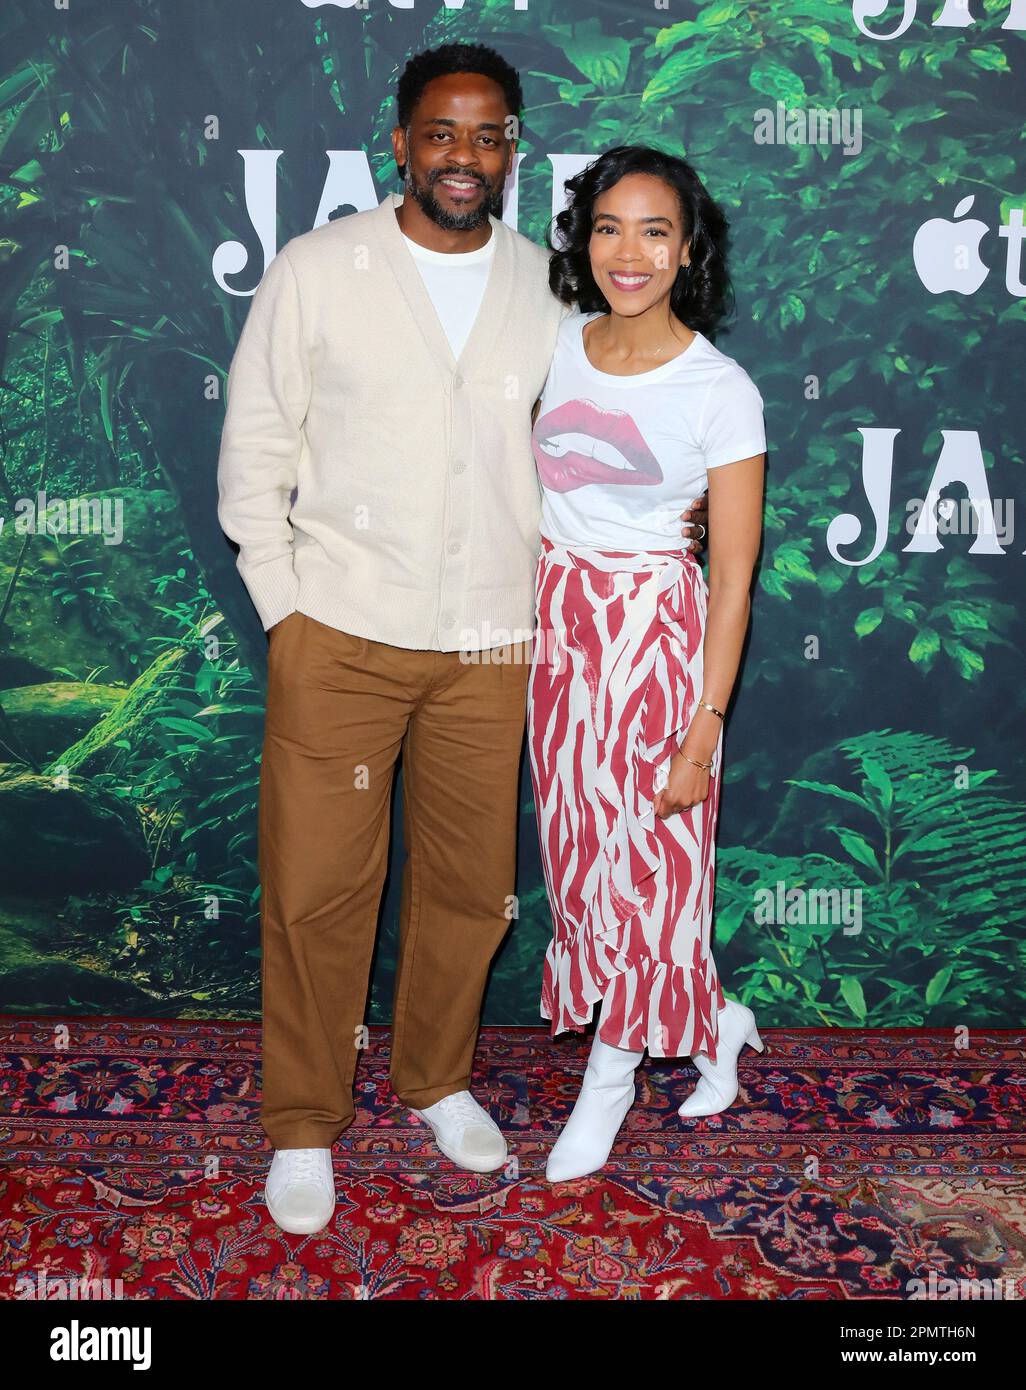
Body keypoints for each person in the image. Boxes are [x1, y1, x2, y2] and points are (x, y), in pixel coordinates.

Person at [217, 44, 711, 1233]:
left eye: (489, 137)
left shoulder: (550, 287)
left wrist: (676, 498)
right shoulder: (320, 268)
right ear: (401, 143)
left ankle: (435, 1076)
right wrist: (289, 610)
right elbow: (254, 452)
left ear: (513, 151)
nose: (464, 156)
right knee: (318, 891)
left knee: (468, 891)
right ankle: (302, 1121)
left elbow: (614, 411)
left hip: (499, 646)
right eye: (442, 133)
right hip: (338, 630)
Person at [526, 145, 767, 1183]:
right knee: (583, 857)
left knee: (657, 860)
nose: (629, 252)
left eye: (655, 230)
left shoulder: (723, 390)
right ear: (583, 236)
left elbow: (733, 579)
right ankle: (717, 1020)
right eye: (609, 226)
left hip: (657, 639)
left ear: (687, 249)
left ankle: (613, 1077)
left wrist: (706, 721)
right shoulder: (554, 345)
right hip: (558, 632)